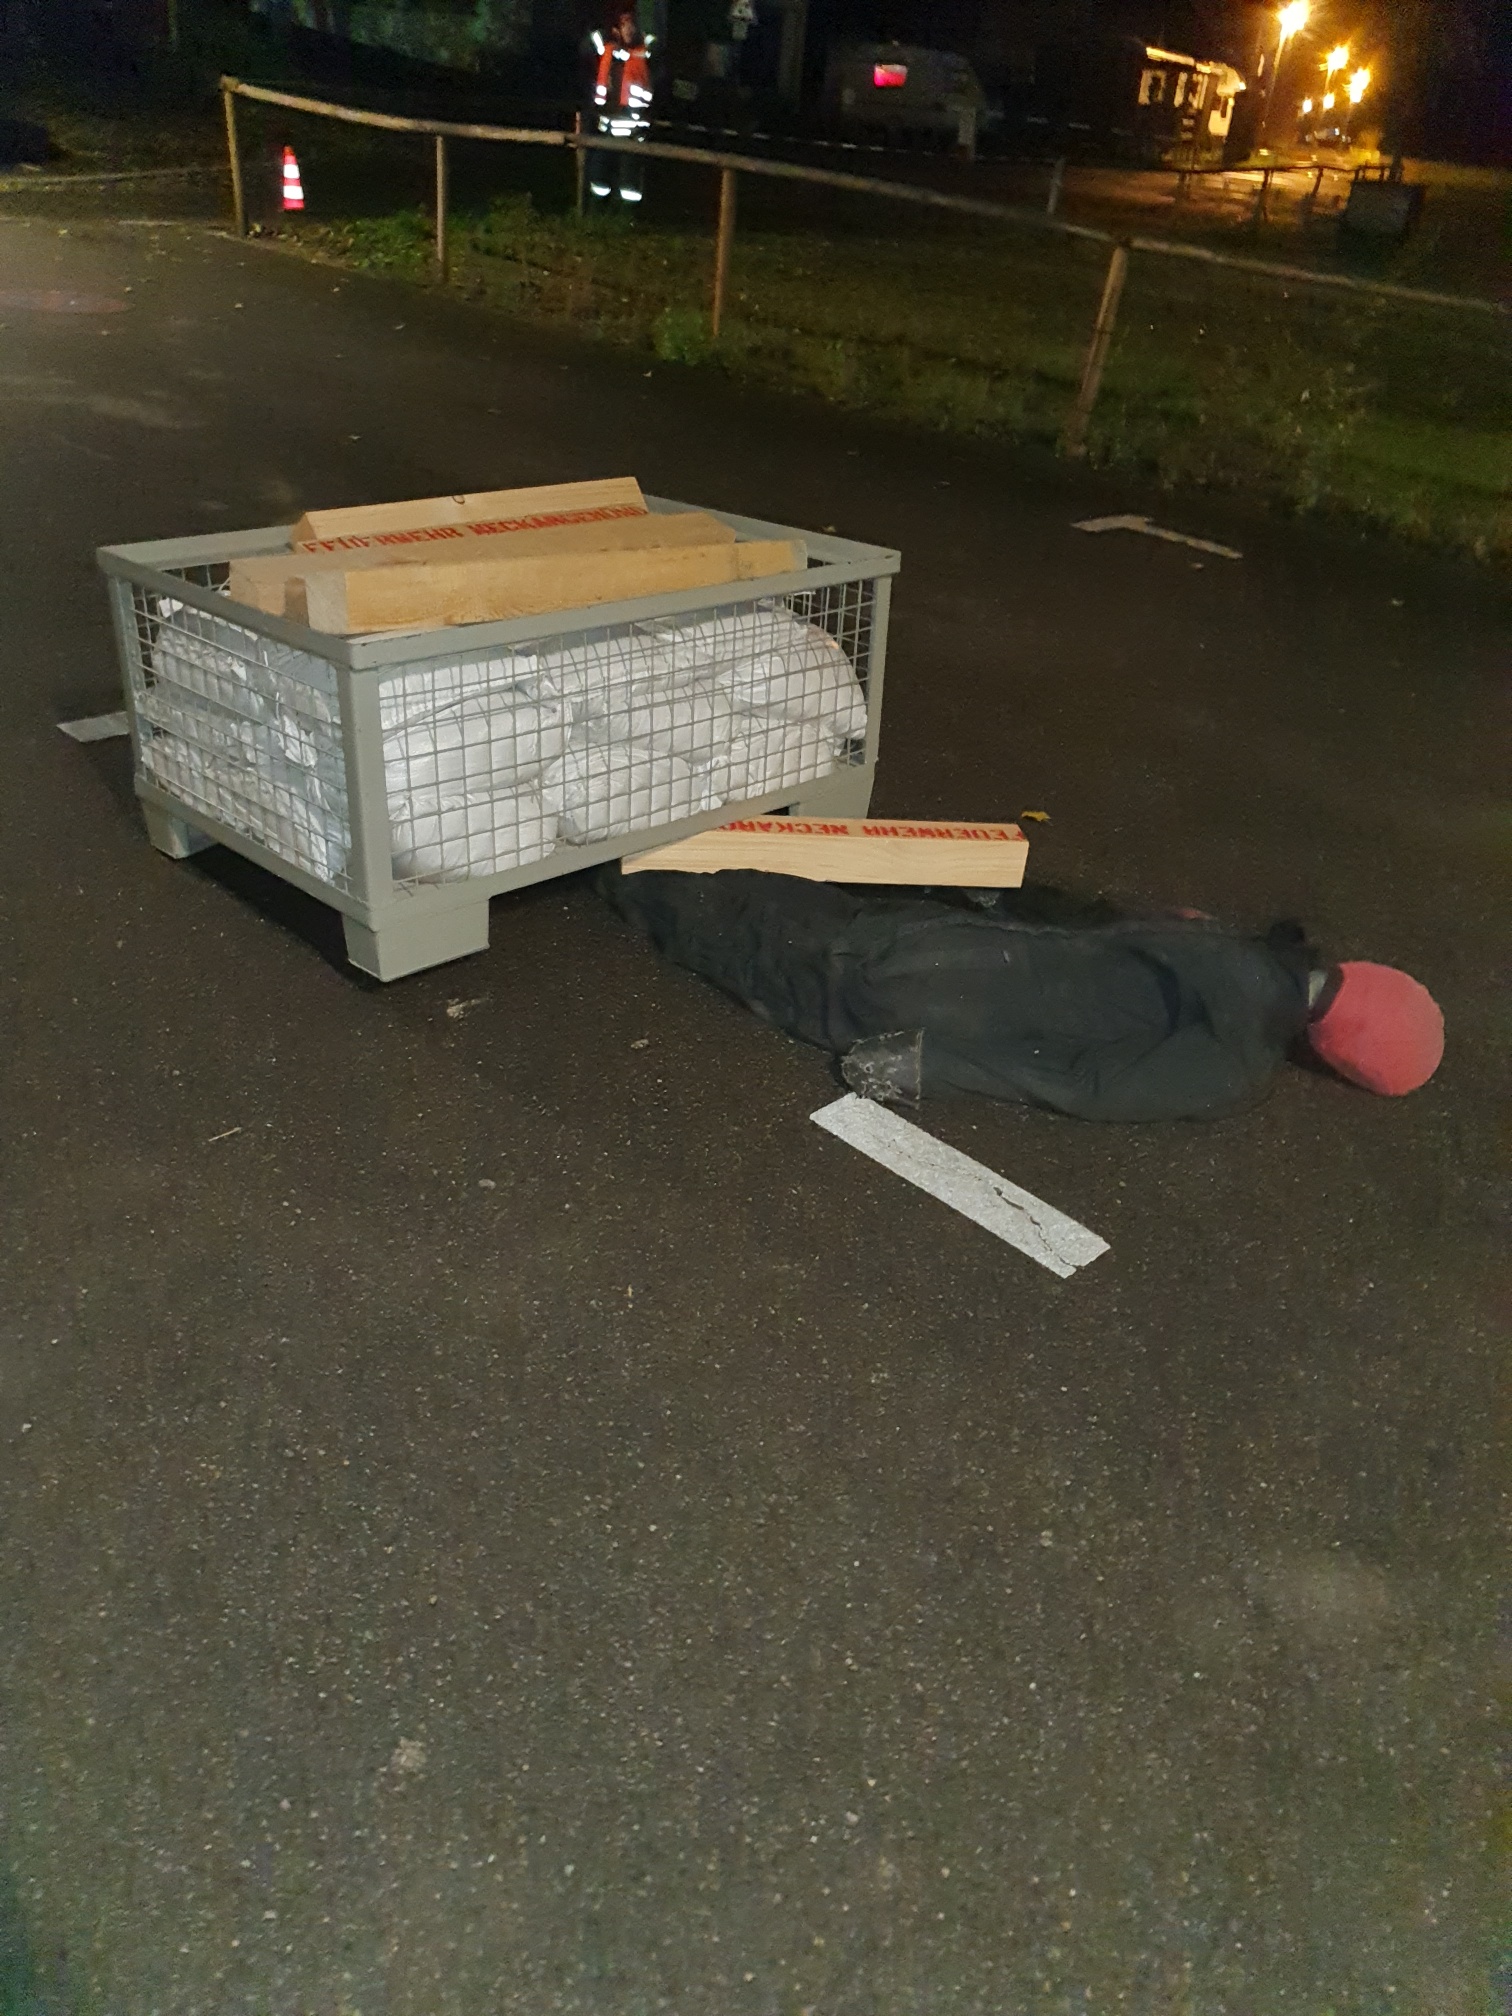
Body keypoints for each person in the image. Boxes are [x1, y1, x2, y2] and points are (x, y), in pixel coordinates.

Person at [601, 869, 1445, 1121]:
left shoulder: (1233, 944)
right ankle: (600, 870)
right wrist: (910, 1068)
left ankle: (626, 853)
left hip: (923, 941)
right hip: (898, 1002)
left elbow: (1096, 933)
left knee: (748, 894)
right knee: (704, 923)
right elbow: (1075, 1082)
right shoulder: (1232, 1065)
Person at [587, 10, 656, 208]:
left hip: (633, 131)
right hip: (607, 127)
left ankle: (627, 215)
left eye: (632, 25)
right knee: (599, 176)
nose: (629, 30)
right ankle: (597, 211)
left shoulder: (645, 53)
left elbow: (656, 48)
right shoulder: (607, 50)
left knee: (629, 182)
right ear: (618, 29)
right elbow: (590, 37)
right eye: (624, 26)